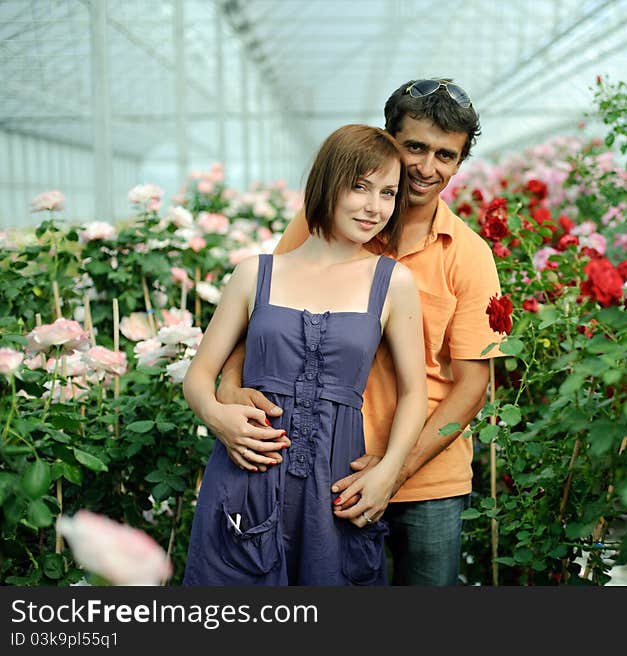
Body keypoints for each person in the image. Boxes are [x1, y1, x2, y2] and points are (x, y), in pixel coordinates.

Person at [217, 78, 502, 585]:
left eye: (446, 155)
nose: (427, 167)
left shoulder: (469, 255)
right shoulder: (324, 221)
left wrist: (394, 470)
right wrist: (227, 391)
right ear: (388, 138)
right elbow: (261, 315)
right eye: (414, 147)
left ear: (459, 163)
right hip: (317, 468)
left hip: (427, 481)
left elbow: (472, 385)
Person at [181, 125, 427, 585]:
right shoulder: (255, 273)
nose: (375, 206)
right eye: (360, 187)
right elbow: (199, 376)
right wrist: (218, 417)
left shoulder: (392, 282)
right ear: (328, 183)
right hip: (247, 472)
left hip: (335, 484)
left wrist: (389, 471)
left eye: (389, 192)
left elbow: (416, 391)